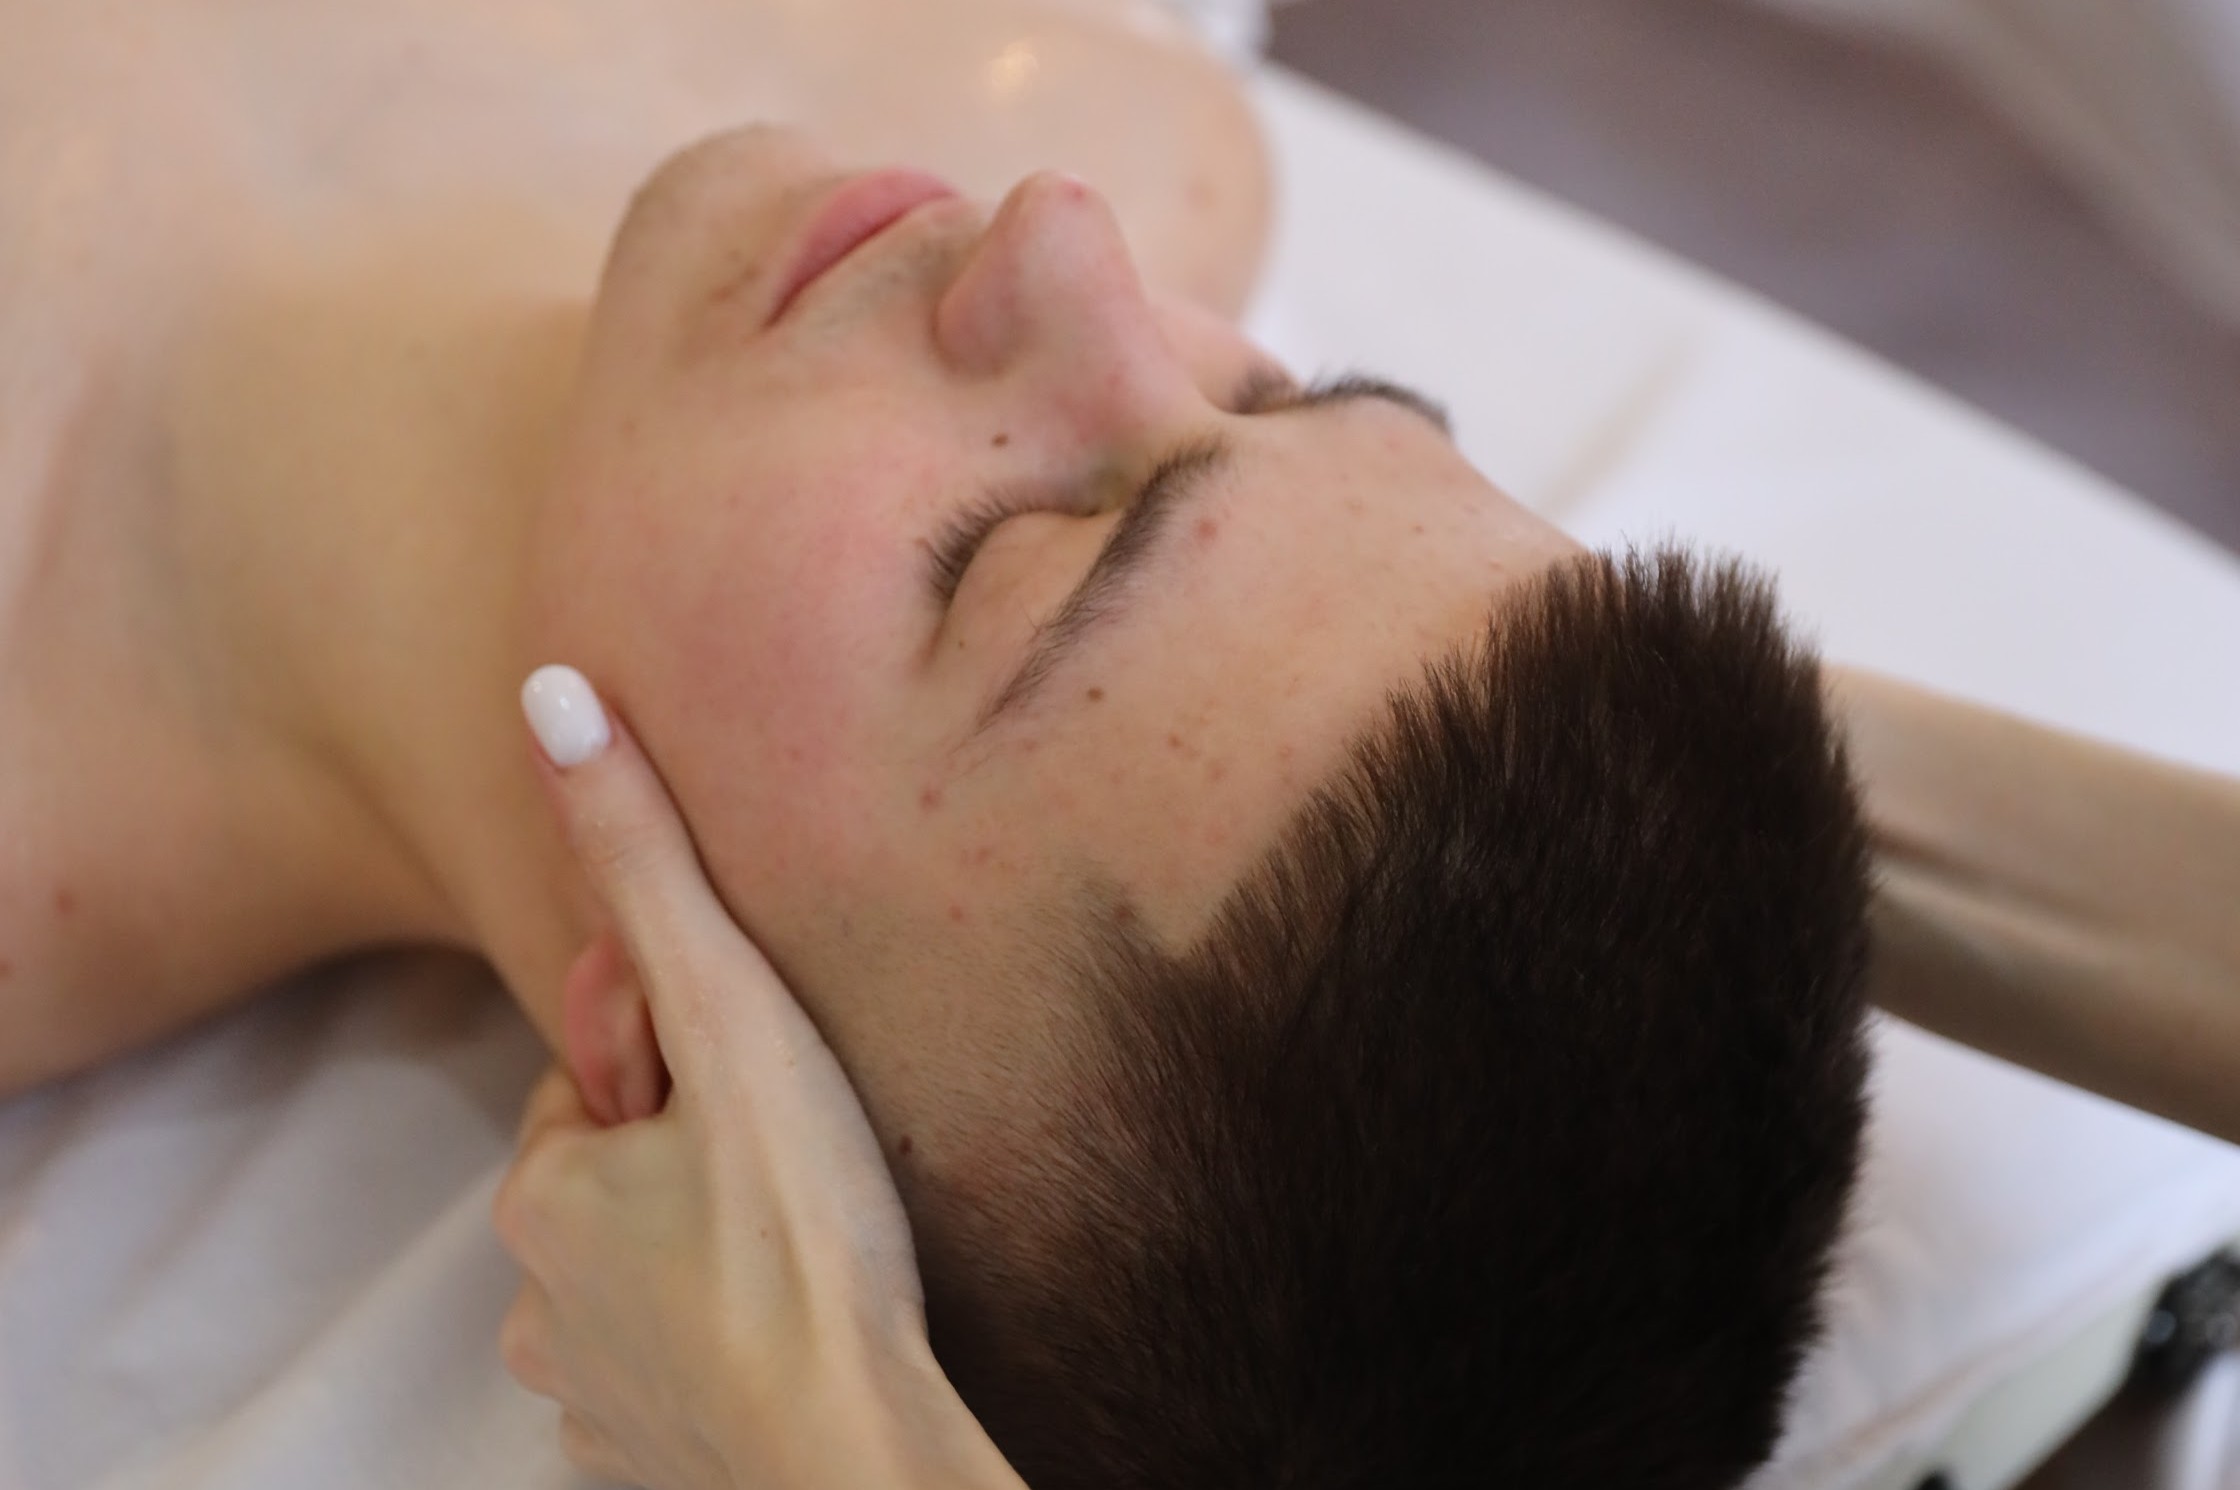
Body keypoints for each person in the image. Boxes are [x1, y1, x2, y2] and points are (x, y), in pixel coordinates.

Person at [6, 2, 2237, 1487]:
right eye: (1283, 398)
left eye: (1002, 560)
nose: (1059, 243)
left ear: (682, 1072)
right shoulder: (1111, 122)